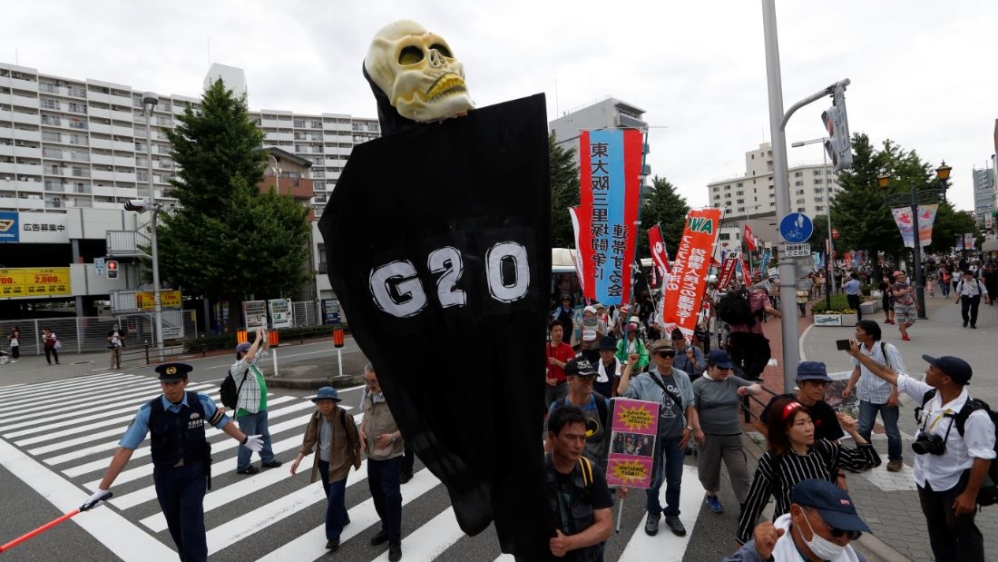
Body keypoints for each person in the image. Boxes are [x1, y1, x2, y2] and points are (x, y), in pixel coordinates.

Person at [79, 363, 264, 562]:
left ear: (185, 382)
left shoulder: (200, 402)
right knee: (176, 527)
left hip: (194, 473)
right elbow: (126, 449)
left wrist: (244, 439)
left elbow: (223, 422)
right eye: (165, 383)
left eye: (175, 382)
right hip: (165, 476)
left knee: (191, 524)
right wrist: (102, 489)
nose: (170, 388)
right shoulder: (149, 411)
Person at [844, 347, 995, 562]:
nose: (926, 370)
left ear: (946, 379)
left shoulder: (974, 415)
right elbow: (887, 373)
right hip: (926, 479)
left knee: (963, 532)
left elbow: (983, 457)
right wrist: (858, 355)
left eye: (932, 369)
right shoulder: (930, 395)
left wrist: (970, 495)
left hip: (955, 484)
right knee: (936, 529)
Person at [737, 394, 881, 545]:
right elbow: (754, 504)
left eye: (809, 421)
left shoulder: (824, 449)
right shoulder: (773, 460)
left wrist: (853, 432)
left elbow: (869, 461)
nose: (809, 428)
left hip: (827, 535)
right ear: (785, 429)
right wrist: (742, 545)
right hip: (790, 540)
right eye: (800, 424)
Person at [617, 339, 700, 537]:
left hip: (677, 436)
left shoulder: (682, 377)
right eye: (663, 354)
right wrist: (629, 365)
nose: (668, 358)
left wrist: (689, 428)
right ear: (654, 357)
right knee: (653, 479)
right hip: (652, 437)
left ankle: (672, 513)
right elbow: (622, 391)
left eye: (671, 354)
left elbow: (690, 404)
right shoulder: (644, 379)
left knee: (675, 479)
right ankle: (653, 511)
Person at [724, 479, 872, 562]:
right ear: (797, 513)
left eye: (852, 532)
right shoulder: (758, 554)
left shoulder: (855, 559)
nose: (843, 540)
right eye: (836, 528)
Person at [290, 386, 362, 552]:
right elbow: (309, 440)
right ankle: (343, 517)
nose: (324, 406)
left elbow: (355, 440)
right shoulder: (316, 418)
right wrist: (298, 459)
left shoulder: (344, 416)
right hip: (323, 463)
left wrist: (357, 459)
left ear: (334, 403)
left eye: (327, 402)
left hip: (341, 462)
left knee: (335, 497)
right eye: (320, 403)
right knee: (332, 496)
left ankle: (333, 536)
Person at [691, 349, 762, 515]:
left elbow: (758, 387)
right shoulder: (698, 385)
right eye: (720, 368)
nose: (724, 371)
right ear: (710, 367)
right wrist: (697, 430)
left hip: (733, 435)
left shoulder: (732, 380)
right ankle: (711, 494)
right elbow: (692, 409)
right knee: (709, 469)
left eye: (727, 368)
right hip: (708, 436)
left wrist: (748, 390)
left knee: (739, 470)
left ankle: (745, 504)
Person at [756, 362, 847, 488]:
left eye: (824, 384)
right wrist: (782, 444)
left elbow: (834, 445)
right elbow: (760, 425)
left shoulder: (826, 410)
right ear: (800, 383)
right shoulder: (781, 403)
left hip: (817, 468)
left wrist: (840, 475)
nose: (821, 388)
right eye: (815, 383)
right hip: (786, 466)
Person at [545, 406, 614, 561]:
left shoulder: (591, 471)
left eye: (582, 438)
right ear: (551, 437)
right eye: (570, 437)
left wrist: (568, 543)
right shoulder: (536, 472)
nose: (578, 445)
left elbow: (606, 526)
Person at [842, 320, 906, 472]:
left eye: (859, 331)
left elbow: (899, 374)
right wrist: (849, 387)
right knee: (863, 429)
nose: (856, 334)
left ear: (870, 334)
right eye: (856, 330)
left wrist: (894, 395)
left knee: (891, 431)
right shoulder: (858, 349)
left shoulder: (887, 349)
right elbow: (857, 369)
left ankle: (896, 459)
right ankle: (864, 458)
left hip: (886, 396)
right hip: (866, 395)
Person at [360, 364, 404, 562]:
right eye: (367, 381)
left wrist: (393, 437)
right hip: (372, 455)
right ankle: (386, 527)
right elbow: (366, 416)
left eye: (373, 381)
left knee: (392, 496)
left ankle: (395, 542)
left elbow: (412, 424)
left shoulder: (396, 397)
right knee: (376, 493)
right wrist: (361, 429)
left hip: (391, 456)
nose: (369, 385)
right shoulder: (368, 394)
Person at [546, 357, 616, 466]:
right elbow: (549, 447)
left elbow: (616, 442)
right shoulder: (557, 408)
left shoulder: (604, 406)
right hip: (566, 475)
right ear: (569, 379)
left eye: (591, 377)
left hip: (595, 476)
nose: (588, 381)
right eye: (583, 378)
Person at [232, 328, 282, 474]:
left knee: (264, 435)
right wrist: (256, 340)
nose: (252, 353)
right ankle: (243, 466)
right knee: (248, 439)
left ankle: (267, 459)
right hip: (247, 410)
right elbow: (249, 357)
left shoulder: (253, 365)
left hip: (260, 407)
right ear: (242, 353)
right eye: (248, 351)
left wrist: (264, 338)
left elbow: (263, 351)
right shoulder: (238, 367)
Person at [727, 284, 781, 381]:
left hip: (735, 334)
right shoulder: (761, 296)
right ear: (764, 291)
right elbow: (768, 309)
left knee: (748, 355)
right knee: (765, 353)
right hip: (752, 333)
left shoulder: (738, 297)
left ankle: (745, 378)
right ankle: (751, 375)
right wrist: (780, 315)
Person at [545, 321, 575, 408]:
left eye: (561, 330)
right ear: (550, 332)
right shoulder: (546, 348)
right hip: (548, 386)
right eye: (556, 330)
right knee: (550, 410)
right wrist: (548, 380)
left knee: (562, 410)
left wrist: (556, 362)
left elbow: (570, 367)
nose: (559, 333)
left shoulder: (568, 348)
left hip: (563, 385)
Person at [891, 271, 917, 341]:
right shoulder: (894, 286)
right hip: (899, 305)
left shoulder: (908, 285)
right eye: (900, 277)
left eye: (903, 277)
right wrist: (906, 290)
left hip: (910, 304)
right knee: (901, 321)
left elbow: (913, 295)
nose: (903, 278)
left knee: (912, 320)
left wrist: (917, 304)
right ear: (897, 279)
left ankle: (902, 328)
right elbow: (896, 294)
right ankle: (904, 335)